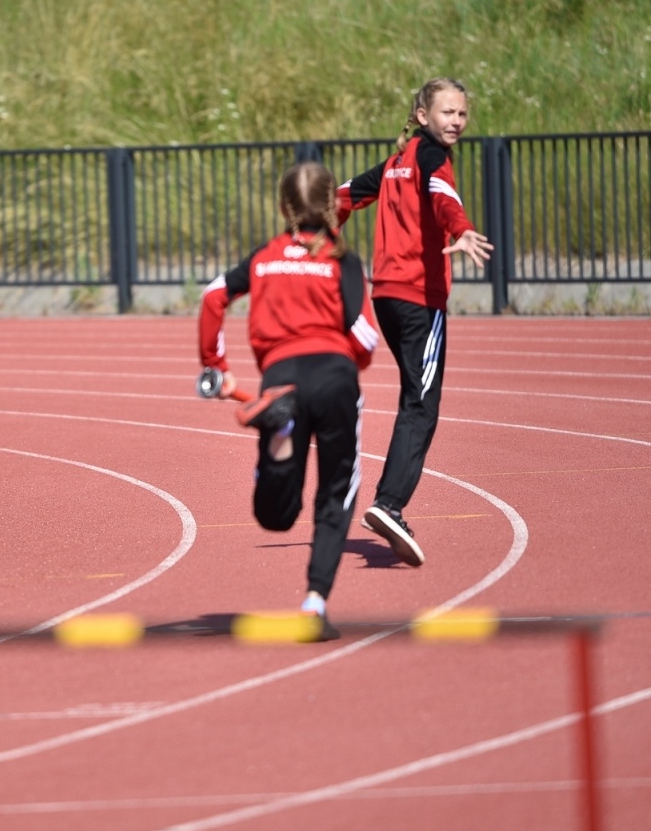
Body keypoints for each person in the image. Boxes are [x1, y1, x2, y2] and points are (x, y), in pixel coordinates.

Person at [197, 161, 381, 625]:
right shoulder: (343, 259)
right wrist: (346, 364)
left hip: (281, 377)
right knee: (336, 494)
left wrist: (215, 367)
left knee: (276, 517)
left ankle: (279, 444)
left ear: (283, 207)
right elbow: (364, 336)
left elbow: (213, 296)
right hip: (336, 377)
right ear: (331, 206)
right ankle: (315, 603)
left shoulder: (263, 257)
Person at [334, 77, 493, 568]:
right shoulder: (428, 158)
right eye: (447, 113)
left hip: (387, 295)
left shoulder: (393, 166)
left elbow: (341, 196)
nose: (457, 122)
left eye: (462, 114)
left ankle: (389, 503)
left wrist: (309, 236)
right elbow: (444, 195)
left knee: (413, 398)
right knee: (422, 404)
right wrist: (462, 230)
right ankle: (390, 504)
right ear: (423, 115)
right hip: (419, 299)